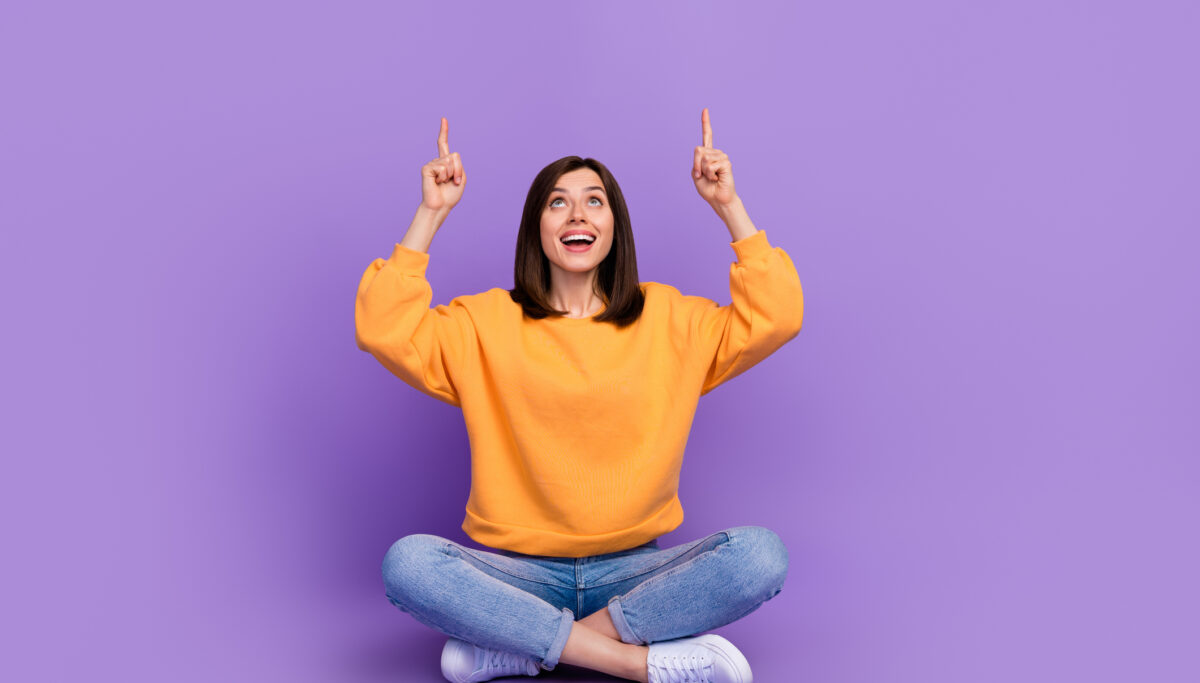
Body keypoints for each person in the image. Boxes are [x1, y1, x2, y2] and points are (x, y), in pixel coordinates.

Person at [355, 109, 804, 683]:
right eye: (558, 202)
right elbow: (380, 328)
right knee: (409, 564)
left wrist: (729, 207)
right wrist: (430, 214)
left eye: (595, 201)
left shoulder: (670, 318)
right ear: (538, 226)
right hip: (517, 576)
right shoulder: (483, 323)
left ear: (615, 226)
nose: (577, 213)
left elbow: (779, 315)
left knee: (759, 557)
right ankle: (631, 662)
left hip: (636, 572)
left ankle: (524, 646)